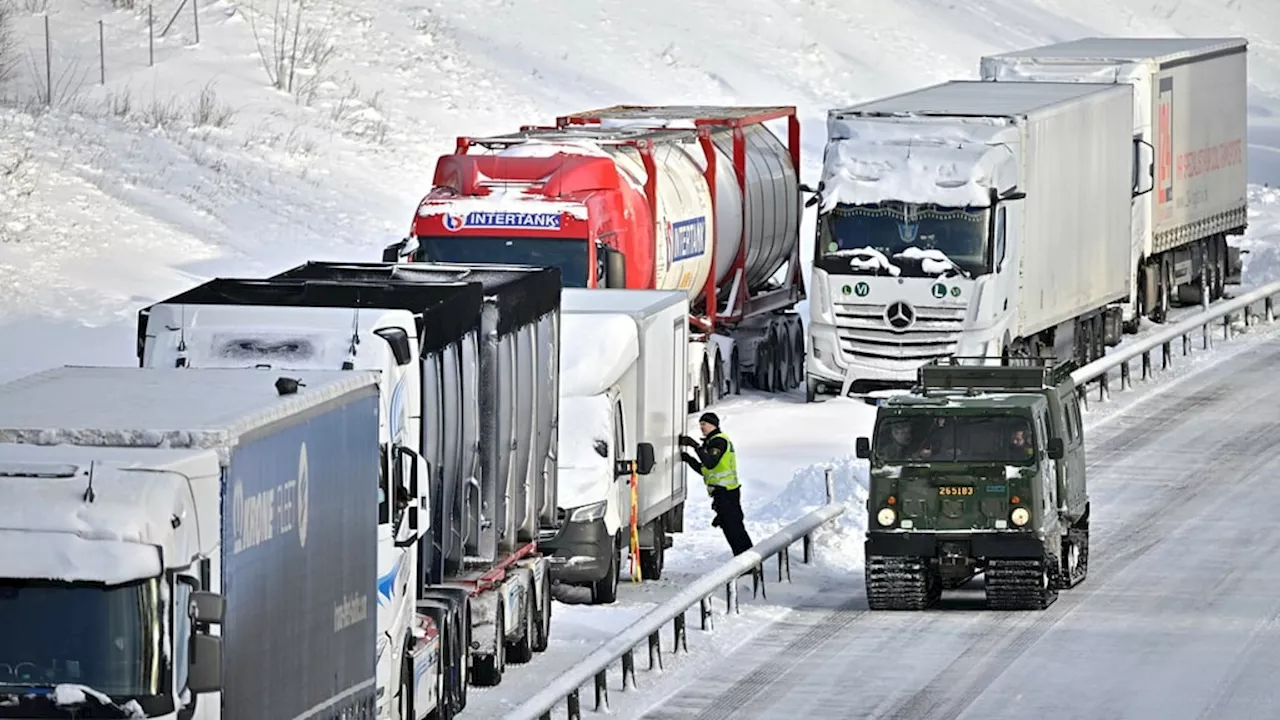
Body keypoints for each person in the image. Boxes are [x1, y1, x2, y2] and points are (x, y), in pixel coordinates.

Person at [679, 412, 754, 556]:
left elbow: (710, 463)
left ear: (713, 425)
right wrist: (689, 460)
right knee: (730, 529)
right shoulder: (711, 442)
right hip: (722, 494)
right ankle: (744, 560)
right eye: (700, 424)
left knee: (734, 530)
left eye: (704, 424)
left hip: (727, 493)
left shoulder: (719, 441)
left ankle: (747, 561)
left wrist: (695, 446)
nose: (701, 427)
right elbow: (705, 470)